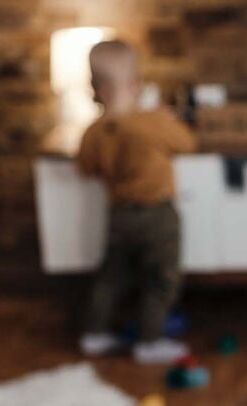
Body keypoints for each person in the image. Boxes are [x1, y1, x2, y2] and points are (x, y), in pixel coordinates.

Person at [76, 40, 197, 364]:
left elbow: (86, 168)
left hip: (118, 215)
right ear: (136, 83)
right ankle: (151, 340)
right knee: (161, 278)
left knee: (111, 277)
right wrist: (165, 115)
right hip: (158, 215)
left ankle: (95, 333)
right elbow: (187, 143)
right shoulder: (153, 121)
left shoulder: (93, 131)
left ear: (95, 87)